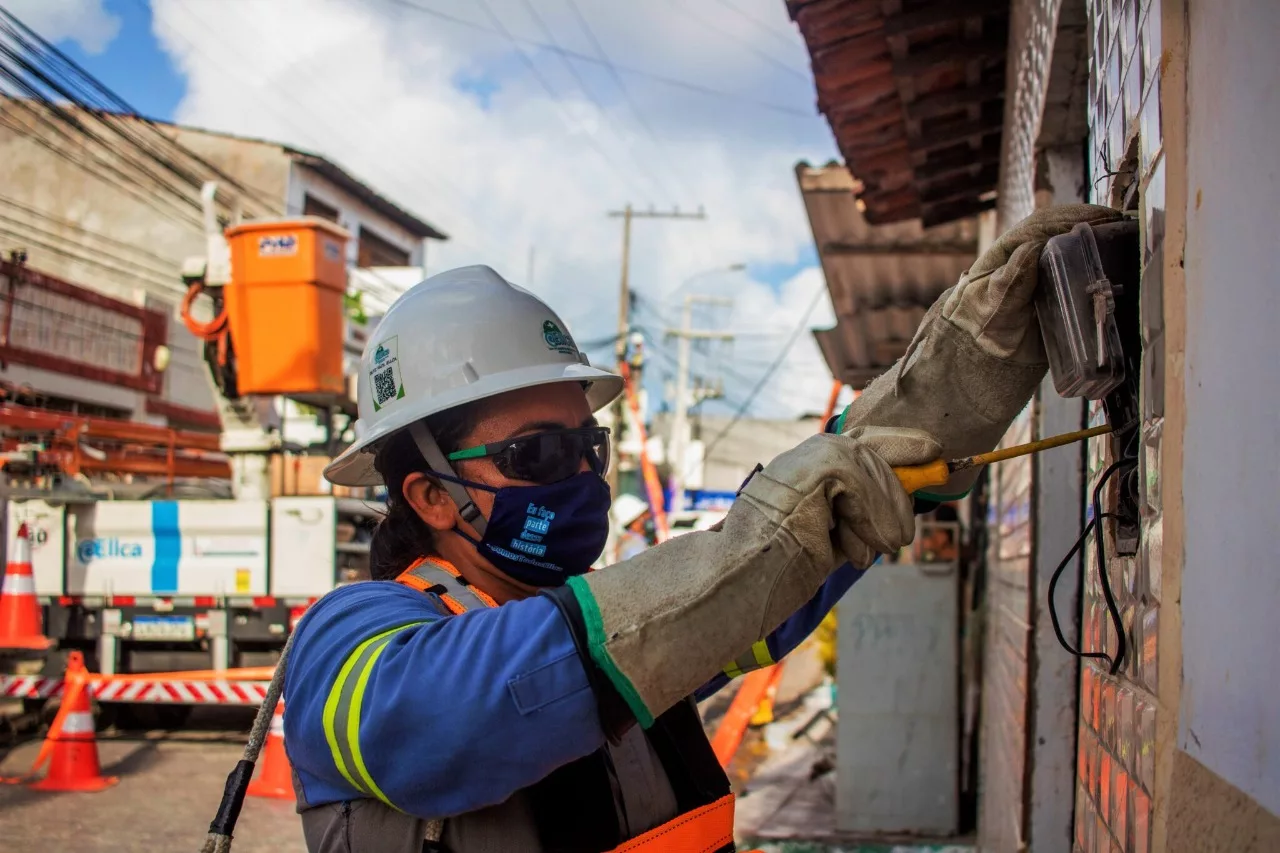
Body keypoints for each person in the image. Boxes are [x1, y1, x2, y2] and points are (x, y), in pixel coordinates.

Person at [283, 205, 1120, 852]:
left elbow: (766, 581)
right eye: (538, 453)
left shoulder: (619, 628)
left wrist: (939, 403)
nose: (580, 476)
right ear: (430, 496)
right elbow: (450, 717)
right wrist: (755, 545)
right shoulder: (348, 642)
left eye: (588, 445)